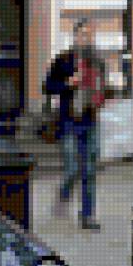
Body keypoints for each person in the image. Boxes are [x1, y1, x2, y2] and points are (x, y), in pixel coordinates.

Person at [44, 18, 109, 230]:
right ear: (75, 36)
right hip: (69, 120)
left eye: (90, 35)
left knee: (89, 170)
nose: (87, 38)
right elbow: (48, 86)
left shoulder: (98, 61)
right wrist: (67, 83)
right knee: (72, 168)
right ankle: (63, 196)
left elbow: (104, 87)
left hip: (91, 119)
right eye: (83, 34)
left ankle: (87, 215)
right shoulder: (64, 59)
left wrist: (105, 96)